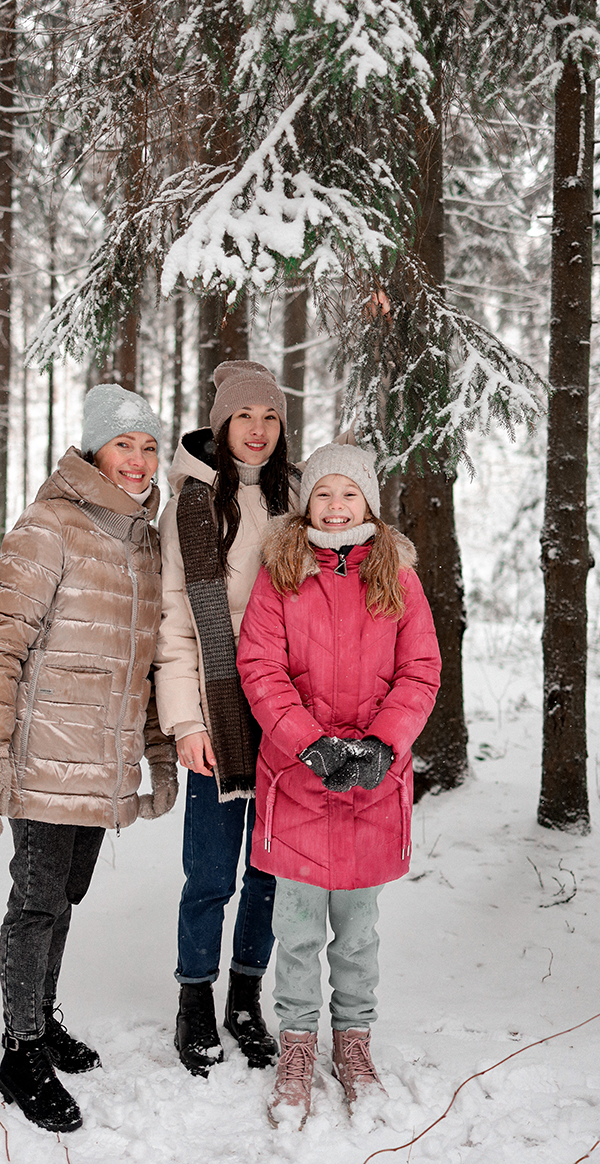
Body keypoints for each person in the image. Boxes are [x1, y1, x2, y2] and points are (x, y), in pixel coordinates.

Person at [0, 384, 178, 1135]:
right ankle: (19, 1053)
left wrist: (159, 758)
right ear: (95, 450)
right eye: (127, 445)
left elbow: (146, 665)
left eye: (151, 447)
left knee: (66, 898)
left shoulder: (146, 542)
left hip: (104, 762)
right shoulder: (49, 525)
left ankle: (41, 1018)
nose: (141, 460)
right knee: (36, 901)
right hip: (46, 757)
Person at [236, 443, 441, 1128]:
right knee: (295, 931)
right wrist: (309, 744)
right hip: (298, 776)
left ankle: (353, 1044)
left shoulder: (398, 576)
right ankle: (297, 1045)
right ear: (305, 503)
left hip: (372, 783)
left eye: (347, 494)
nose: (334, 505)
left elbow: (421, 671)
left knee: (356, 934)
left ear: (368, 503)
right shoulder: (282, 571)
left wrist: (383, 745)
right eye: (322, 493)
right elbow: (260, 667)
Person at [154, 360, 301, 1076]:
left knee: (270, 867)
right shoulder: (188, 504)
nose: (258, 430)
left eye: (270, 417)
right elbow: (175, 625)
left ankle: (247, 995)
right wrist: (186, 722)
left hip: (288, 709)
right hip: (217, 706)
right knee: (210, 872)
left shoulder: (299, 499)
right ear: (221, 424)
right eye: (245, 416)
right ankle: (193, 1000)